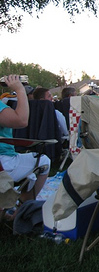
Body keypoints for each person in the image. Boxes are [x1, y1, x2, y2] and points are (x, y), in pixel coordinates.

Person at [0, 75, 51, 218]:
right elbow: (21, 120)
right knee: (43, 161)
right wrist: (20, 90)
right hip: (3, 164)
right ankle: (21, 212)